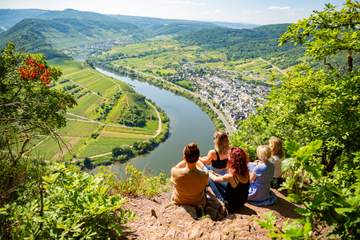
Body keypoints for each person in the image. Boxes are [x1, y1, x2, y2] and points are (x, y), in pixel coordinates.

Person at [208, 147, 250, 213]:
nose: (228, 156)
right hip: (241, 202)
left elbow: (215, 179)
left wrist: (208, 172)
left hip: (232, 205)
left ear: (233, 160)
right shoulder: (245, 170)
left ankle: (218, 199)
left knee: (210, 179)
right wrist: (215, 173)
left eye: (229, 156)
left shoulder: (231, 175)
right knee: (218, 180)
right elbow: (225, 178)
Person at [171, 143, 209, 207]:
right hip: (198, 202)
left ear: (184, 157)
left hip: (179, 201)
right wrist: (198, 161)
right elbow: (204, 168)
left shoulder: (174, 172)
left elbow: (176, 167)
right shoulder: (204, 175)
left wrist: (185, 160)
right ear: (197, 158)